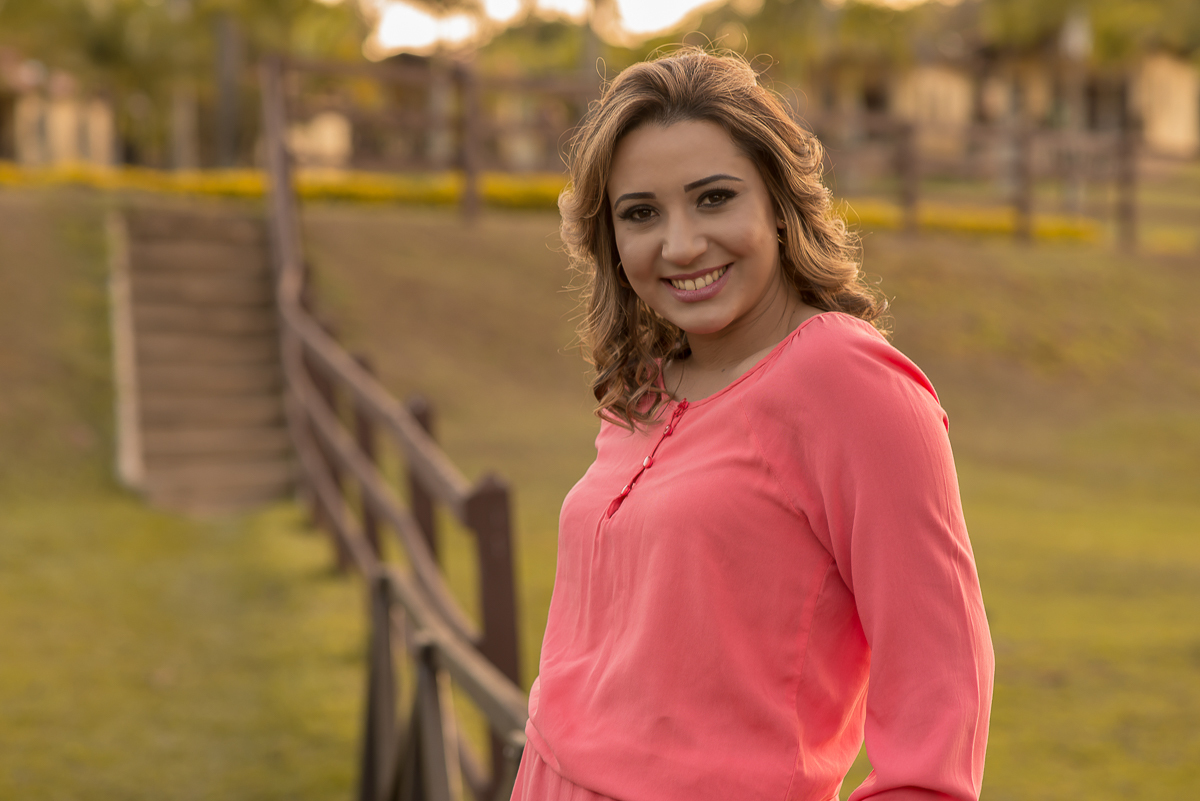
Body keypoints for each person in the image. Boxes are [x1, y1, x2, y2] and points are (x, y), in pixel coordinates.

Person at [512, 47, 993, 801]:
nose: (680, 245)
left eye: (713, 199)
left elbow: (941, 692)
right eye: (641, 213)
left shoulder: (846, 381)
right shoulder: (645, 390)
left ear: (777, 201)